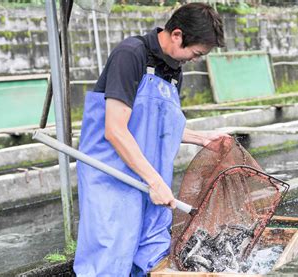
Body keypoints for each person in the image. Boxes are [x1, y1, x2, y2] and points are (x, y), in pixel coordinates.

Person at [73, 3, 227, 276]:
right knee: (109, 256)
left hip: (150, 180)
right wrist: (154, 181)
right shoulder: (130, 55)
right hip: (113, 180)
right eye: (196, 53)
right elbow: (115, 129)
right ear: (177, 35)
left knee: (151, 256)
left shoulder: (173, 70)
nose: (195, 59)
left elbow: (156, 128)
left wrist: (201, 138)